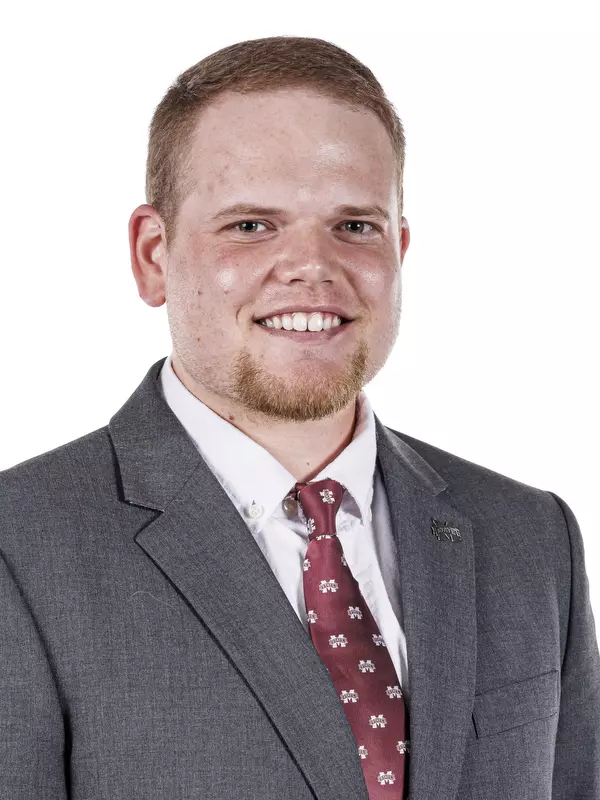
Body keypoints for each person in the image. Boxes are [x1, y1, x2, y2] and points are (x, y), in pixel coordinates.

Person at [0, 35, 598, 800]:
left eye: (355, 226)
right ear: (154, 255)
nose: (313, 266)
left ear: (399, 250)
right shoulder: (20, 546)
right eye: (251, 225)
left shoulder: (532, 537)